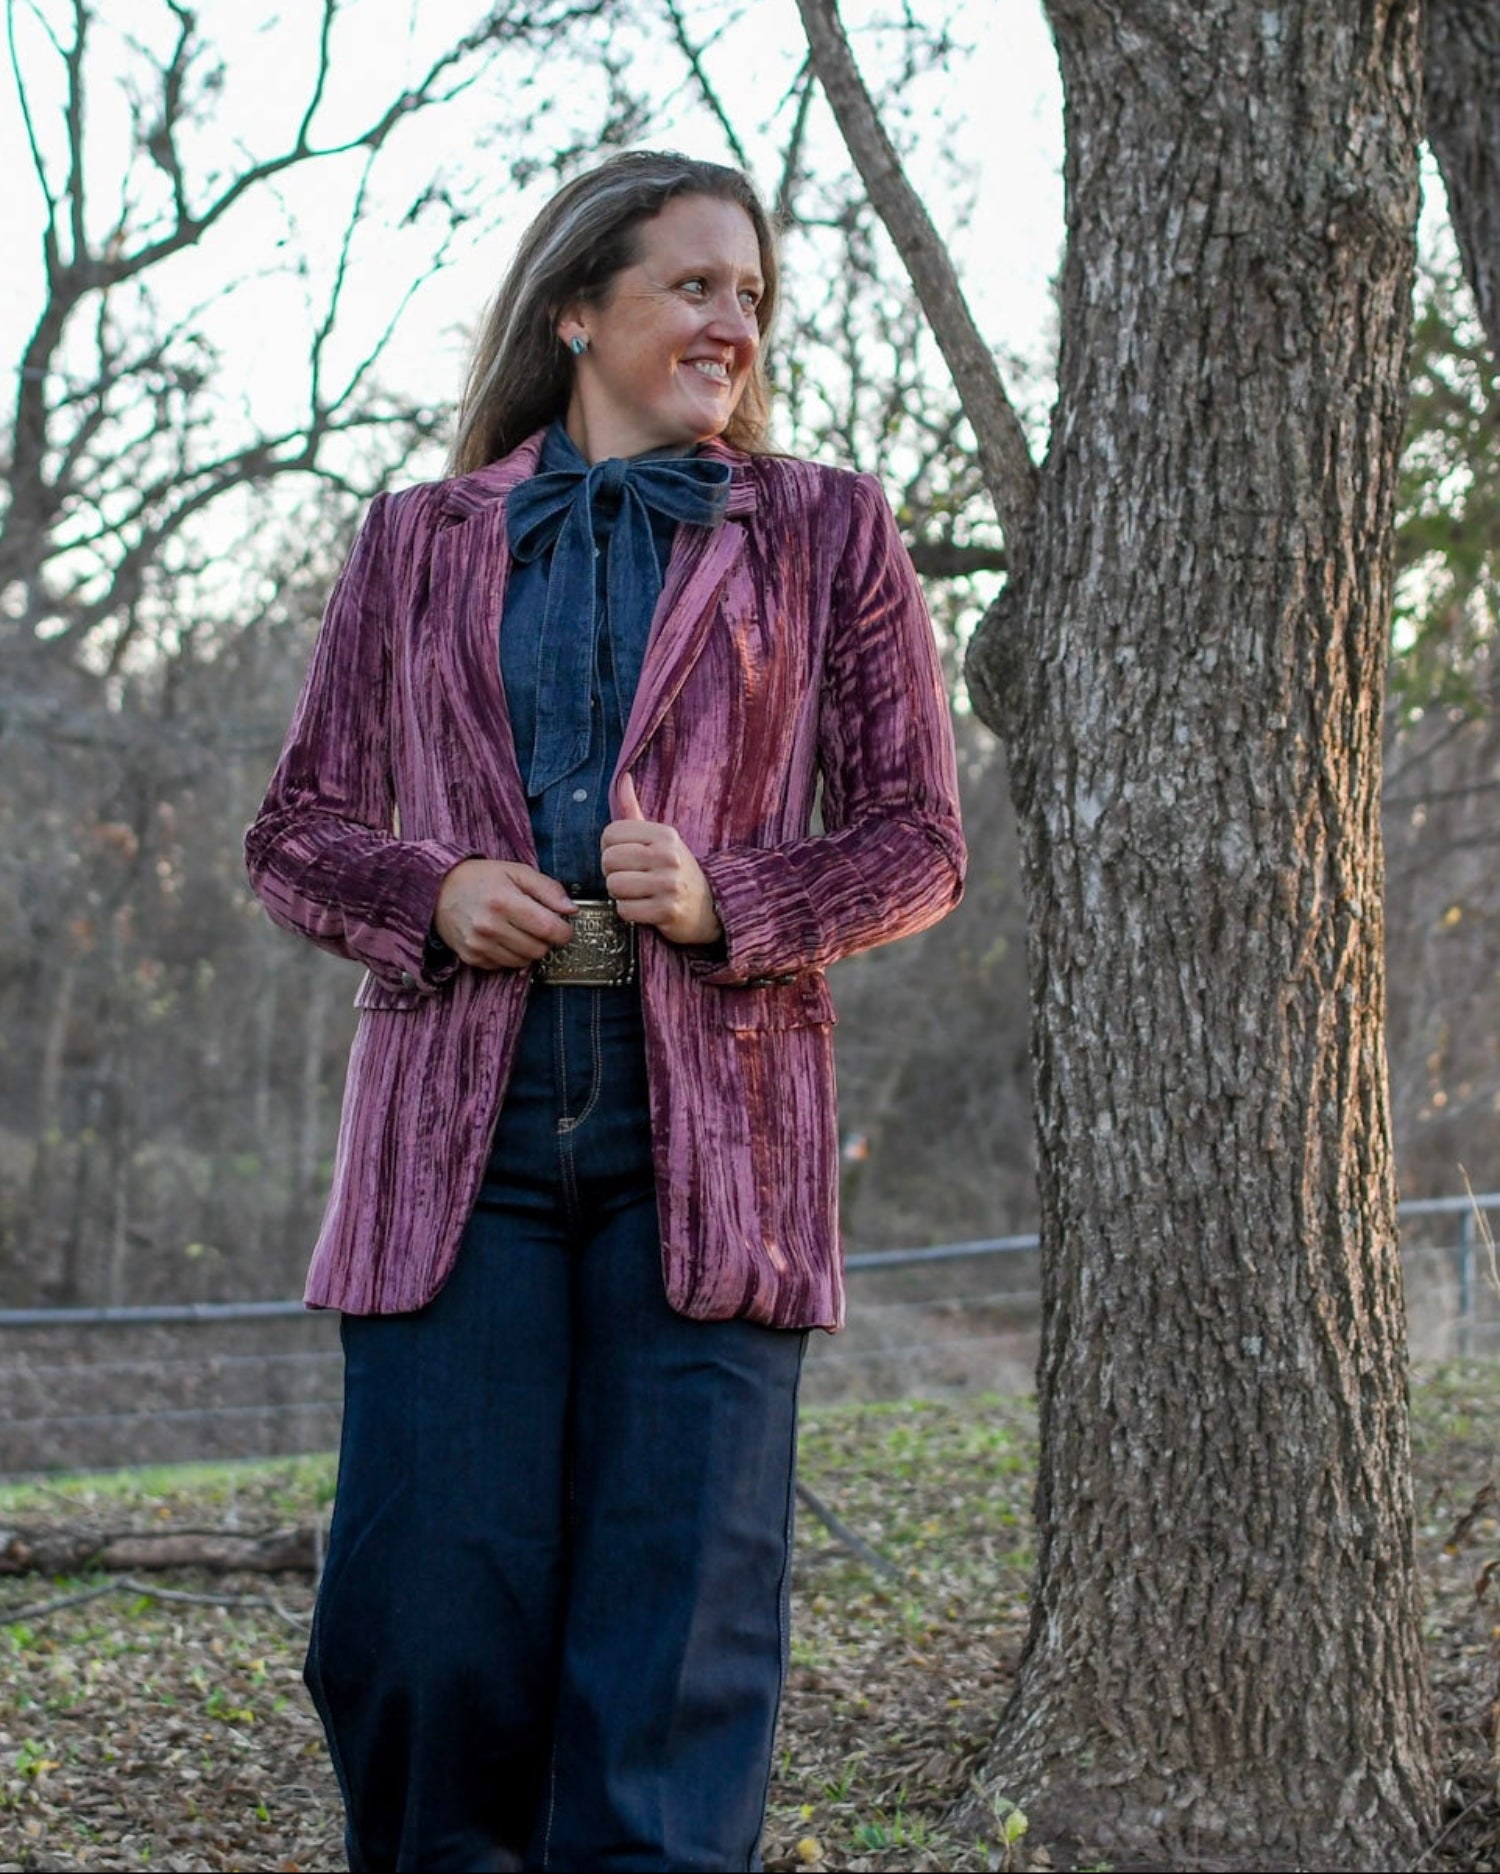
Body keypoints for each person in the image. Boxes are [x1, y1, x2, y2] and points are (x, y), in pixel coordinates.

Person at [245, 149, 965, 1874]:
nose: (735, 321)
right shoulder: (414, 543)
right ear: (579, 307)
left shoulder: (825, 530)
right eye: (694, 284)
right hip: (454, 1145)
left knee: (677, 1648)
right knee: (424, 1623)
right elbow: (295, 831)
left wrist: (737, 896)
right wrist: (424, 891)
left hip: (711, 1142)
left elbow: (920, 840)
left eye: (751, 296)